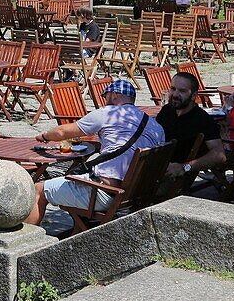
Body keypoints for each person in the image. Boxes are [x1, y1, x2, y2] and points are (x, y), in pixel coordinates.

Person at [27, 79, 165, 225]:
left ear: (115, 95)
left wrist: (44, 136)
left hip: (104, 193)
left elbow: (62, 132)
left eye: (105, 97)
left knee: (38, 190)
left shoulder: (108, 113)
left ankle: (27, 242)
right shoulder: (155, 126)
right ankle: (77, 230)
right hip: (133, 195)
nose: (105, 101)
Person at [155, 72, 226, 182]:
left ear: (193, 95)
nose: (175, 94)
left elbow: (219, 155)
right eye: (173, 89)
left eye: (182, 91)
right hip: (154, 167)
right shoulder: (167, 111)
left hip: (171, 177)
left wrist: (184, 167)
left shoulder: (202, 119)